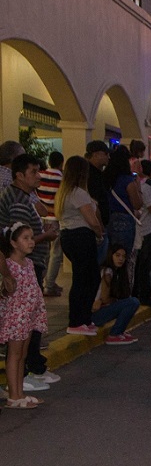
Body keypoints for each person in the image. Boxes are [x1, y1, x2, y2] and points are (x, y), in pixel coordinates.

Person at [0, 153, 60, 390]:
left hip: (30, 264)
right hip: (22, 266)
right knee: (20, 328)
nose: (38, 176)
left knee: (30, 324)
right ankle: (19, 379)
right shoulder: (15, 200)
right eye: (34, 172)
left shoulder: (26, 196)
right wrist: (45, 235)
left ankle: (29, 369)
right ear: (19, 175)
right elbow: (18, 237)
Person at [56, 156, 104, 337]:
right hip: (81, 236)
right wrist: (99, 232)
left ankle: (82, 318)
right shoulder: (78, 193)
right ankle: (77, 320)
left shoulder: (65, 192)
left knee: (83, 278)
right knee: (87, 279)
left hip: (69, 236)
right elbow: (92, 219)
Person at [0, 223, 48, 409]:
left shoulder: (29, 263)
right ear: (13, 243)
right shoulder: (9, 266)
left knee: (23, 354)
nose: (31, 241)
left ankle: (19, 392)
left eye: (31, 237)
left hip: (28, 316)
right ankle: (13, 395)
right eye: (25, 238)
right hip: (16, 317)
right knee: (14, 353)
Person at [104, 145, 143, 285]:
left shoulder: (107, 179)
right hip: (125, 221)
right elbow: (137, 204)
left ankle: (109, 288)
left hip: (109, 220)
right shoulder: (127, 181)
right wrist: (138, 187)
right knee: (125, 259)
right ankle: (124, 289)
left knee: (111, 258)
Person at [92, 244, 141, 345]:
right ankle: (114, 334)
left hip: (100, 310)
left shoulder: (118, 273)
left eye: (123, 256)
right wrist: (115, 301)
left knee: (130, 302)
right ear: (111, 256)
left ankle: (120, 331)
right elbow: (105, 298)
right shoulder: (107, 271)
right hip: (95, 313)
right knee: (133, 302)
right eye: (117, 255)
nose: (121, 259)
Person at [132, 160, 151, 309]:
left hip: (142, 228)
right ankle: (144, 295)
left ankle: (138, 292)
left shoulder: (141, 186)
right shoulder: (147, 188)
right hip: (147, 229)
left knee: (142, 264)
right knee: (145, 264)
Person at [38, 151, 64, 297]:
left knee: (44, 251)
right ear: (61, 163)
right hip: (55, 218)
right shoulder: (61, 178)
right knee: (56, 252)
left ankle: (43, 281)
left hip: (41, 217)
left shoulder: (40, 176)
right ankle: (49, 284)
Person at [85, 141, 111, 262]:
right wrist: (99, 227)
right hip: (94, 228)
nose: (108, 157)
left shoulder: (98, 174)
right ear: (95, 154)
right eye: (105, 153)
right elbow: (93, 203)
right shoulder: (89, 175)